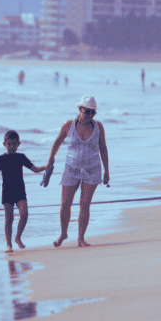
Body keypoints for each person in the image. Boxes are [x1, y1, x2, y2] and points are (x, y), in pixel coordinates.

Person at [47, 96, 110, 248]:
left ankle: (81, 238)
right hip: (71, 169)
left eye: (92, 112)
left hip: (92, 169)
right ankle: (63, 233)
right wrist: (51, 159)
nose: (89, 115)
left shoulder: (98, 127)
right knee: (65, 204)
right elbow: (57, 142)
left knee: (85, 204)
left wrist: (107, 171)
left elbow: (103, 148)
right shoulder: (69, 125)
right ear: (80, 110)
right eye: (87, 112)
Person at [0, 130, 47, 253]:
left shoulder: (21, 157)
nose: (12, 146)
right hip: (7, 192)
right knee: (9, 219)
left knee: (24, 215)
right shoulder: (0, 159)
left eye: (14, 144)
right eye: (9, 144)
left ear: (19, 144)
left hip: (20, 191)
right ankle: (8, 244)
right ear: (4, 144)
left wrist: (47, 166)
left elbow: (35, 169)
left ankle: (18, 237)